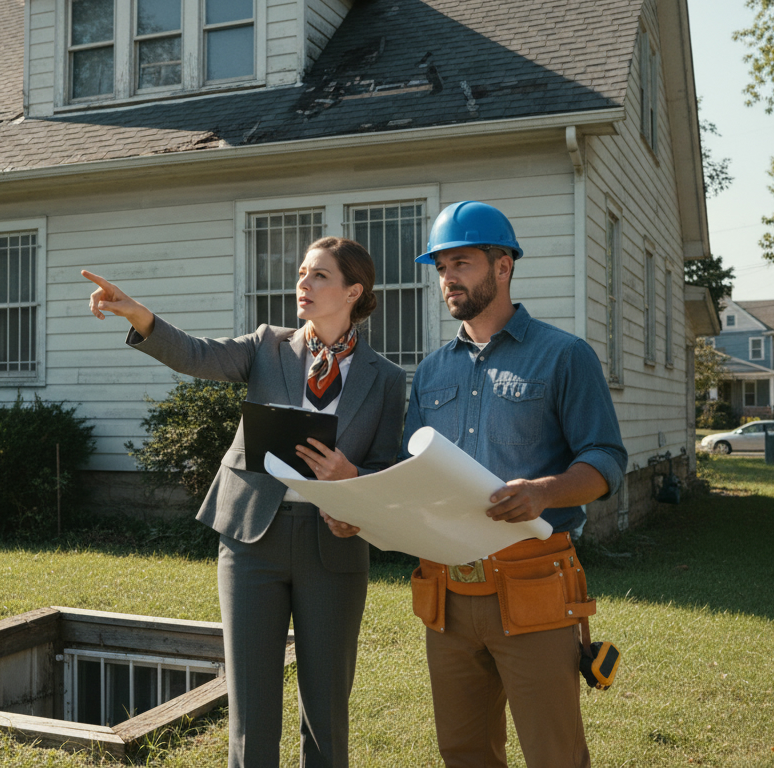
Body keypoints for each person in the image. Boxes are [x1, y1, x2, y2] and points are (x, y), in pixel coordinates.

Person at [82, 236, 407, 768]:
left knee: (326, 710)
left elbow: (387, 466)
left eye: (319, 275)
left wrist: (355, 484)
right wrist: (139, 315)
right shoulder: (267, 345)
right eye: (302, 272)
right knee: (251, 710)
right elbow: (195, 354)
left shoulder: (387, 379)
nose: (302, 282)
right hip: (253, 538)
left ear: (354, 290)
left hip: (335, 545)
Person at [365, 201, 625, 767]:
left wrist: (546, 491)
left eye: (461, 262)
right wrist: (361, 506)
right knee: (463, 752)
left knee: (554, 754)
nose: (448, 278)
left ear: (502, 266)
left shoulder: (564, 356)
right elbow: (412, 474)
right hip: (448, 597)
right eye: (440, 267)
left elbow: (606, 460)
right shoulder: (431, 372)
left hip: (534, 586)